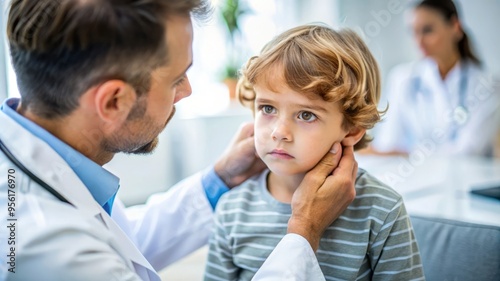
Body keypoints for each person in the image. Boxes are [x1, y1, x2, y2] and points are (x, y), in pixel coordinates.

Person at [0, 1, 359, 281]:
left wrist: (220, 180)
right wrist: (304, 233)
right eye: (177, 78)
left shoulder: (47, 175)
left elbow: (123, 245)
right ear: (113, 101)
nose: (187, 91)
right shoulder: (47, 247)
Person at [204, 24, 424, 281]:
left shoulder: (382, 211)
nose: (279, 132)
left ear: (352, 129)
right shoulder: (232, 209)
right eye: (267, 108)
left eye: (306, 114)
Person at [367, 0, 500, 157]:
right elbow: (388, 143)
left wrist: (407, 155)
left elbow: (469, 151)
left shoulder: (486, 85)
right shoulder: (402, 78)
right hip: (417, 178)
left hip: (469, 179)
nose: (419, 41)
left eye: (427, 30)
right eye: (413, 32)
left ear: (455, 27)